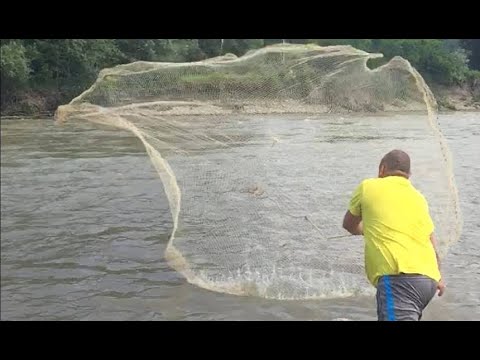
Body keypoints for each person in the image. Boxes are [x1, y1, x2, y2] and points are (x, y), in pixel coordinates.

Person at [342, 149, 446, 321]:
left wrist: (363, 230)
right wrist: (439, 277)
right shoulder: (418, 197)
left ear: (382, 169)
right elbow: (430, 240)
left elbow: (349, 224)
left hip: (400, 279)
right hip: (429, 281)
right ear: (408, 174)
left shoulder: (368, 186)